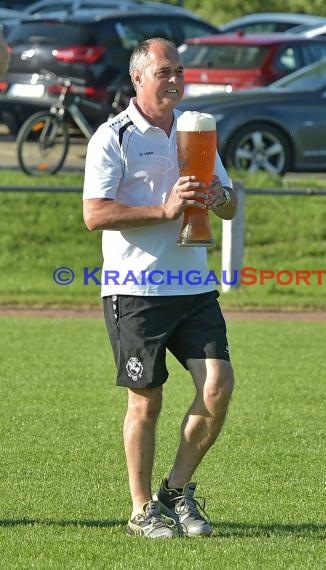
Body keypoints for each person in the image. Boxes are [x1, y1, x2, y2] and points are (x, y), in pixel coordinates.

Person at [83, 37, 237, 539]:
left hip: (193, 284)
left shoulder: (197, 129)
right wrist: (163, 211)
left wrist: (220, 197)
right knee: (145, 403)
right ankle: (142, 509)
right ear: (138, 78)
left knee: (218, 386)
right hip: (135, 289)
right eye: (164, 71)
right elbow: (95, 214)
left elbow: (231, 203)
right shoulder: (114, 136)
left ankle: (176, 492)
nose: (175, 79)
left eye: (179, 71)